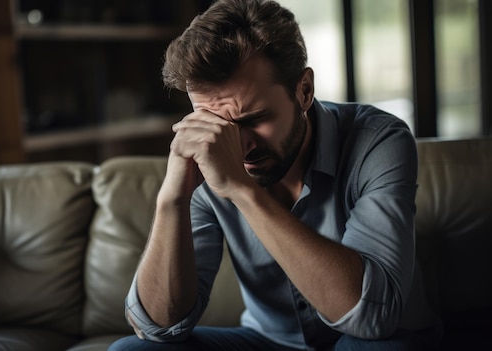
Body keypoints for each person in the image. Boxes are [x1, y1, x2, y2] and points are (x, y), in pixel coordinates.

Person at [109, 0, 441, 350]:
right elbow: (158, 328)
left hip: (373, 341)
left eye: (253, 119)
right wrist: (172, 198)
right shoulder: (207, 154)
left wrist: (242, 190)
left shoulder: (378, 139)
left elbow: (373, 318)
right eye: (217, 123)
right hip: (267, 341)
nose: (239, 146)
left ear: (304, 90)